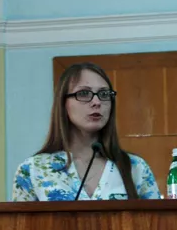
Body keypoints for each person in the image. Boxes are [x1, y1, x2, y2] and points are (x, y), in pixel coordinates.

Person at [12, 62, 161, 201]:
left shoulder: (136, 167)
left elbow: (155, 220)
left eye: (104, 94)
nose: (97, 102)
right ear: (63, 104)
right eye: (84, 93)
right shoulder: (33, 169)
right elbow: (21, 222)